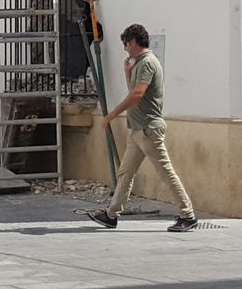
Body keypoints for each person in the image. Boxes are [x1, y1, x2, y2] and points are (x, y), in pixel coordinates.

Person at [85, 24, 199, 233]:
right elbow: (135, 91)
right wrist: (127, 73)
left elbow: (137, 95)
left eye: (126, 44)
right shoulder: (139, 64)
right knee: (125, 173)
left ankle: (187, 214)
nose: (125, 49)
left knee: (166, 173)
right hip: (138, 130)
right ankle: (111, 214)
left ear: (134, 42)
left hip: (148, 129)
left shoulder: (147, 63)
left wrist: (111, 116)